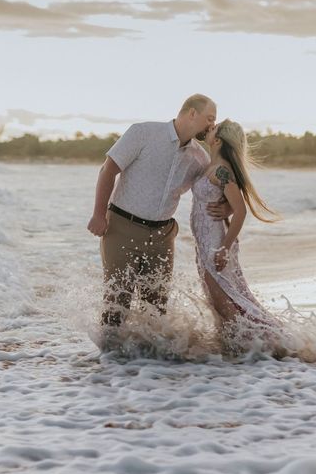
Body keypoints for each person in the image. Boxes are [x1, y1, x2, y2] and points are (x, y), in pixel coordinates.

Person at [87, 94, 228, 331]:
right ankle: (111, 364)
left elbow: (216, 187)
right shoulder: (143, 133)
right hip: (121, 227)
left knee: (156, 309)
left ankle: (149, 364)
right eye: (209, 119)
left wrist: (229, 206)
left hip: (163, 236)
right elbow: (108, 170)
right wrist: (98, 214)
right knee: (116, 303)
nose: (212, 126)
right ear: (192, 113)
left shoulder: (200, 158)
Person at [190, 119, 284, 353]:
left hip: (215, 243)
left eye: (213, 128)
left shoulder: (221, 171)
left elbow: (240, 210)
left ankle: (257, 349)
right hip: (204, 243)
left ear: (218, 140)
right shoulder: (213, 166)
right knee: (221, 300)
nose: (209, 128)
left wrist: (224, 248)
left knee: (224, 302)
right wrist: (227, 208)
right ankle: (235, 348)